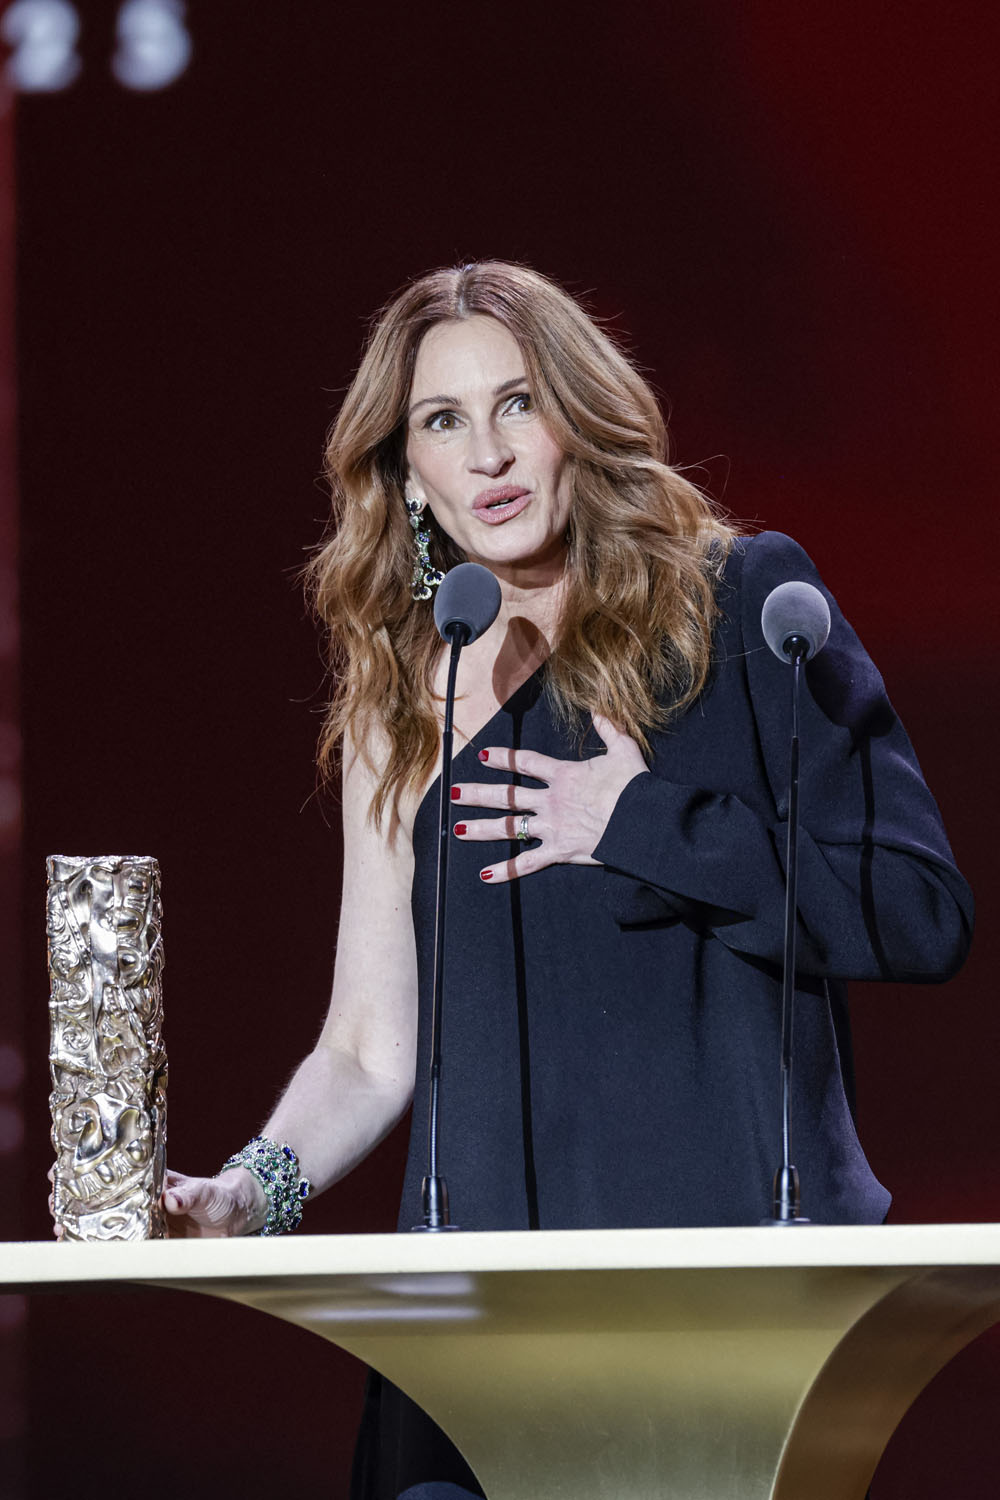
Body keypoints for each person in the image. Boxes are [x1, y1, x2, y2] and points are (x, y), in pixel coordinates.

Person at [162, 262, 973, 1498]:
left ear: (577, 419)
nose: (485, 453)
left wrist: (644, 823)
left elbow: (917, 911)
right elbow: (370, 1049)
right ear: (407, 474)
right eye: (442, 421)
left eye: (516, 404)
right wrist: (250, 1193)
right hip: (474, 1323)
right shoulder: (403, 695)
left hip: (716, 1298)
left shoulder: (739, 606)